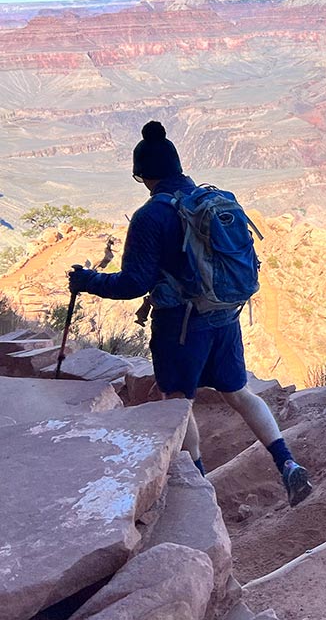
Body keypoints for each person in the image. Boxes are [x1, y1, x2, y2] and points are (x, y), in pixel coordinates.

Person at [68, 120, 313, 506]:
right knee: (238, 392)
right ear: (179, 168)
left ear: (142, 175)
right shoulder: (207, 200)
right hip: (225, 316)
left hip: (181, 327)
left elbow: (133, 283)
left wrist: (88, 281)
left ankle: (200, 493)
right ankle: (288, 464)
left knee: (178, 401)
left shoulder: (151, 216)